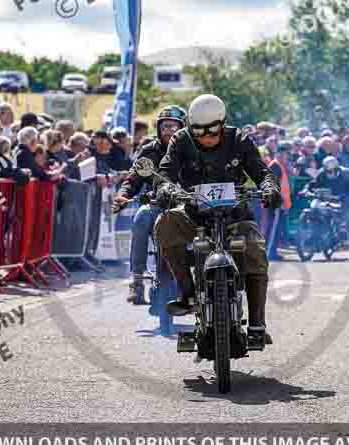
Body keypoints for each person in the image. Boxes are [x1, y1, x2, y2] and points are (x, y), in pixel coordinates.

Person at [152, 94, 281, 344]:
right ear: (190, 126)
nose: (206, 137)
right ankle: (187, 292)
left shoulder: (239, 139)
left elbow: (261, 171)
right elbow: (165, 172)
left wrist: (269, 187)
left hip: (235, 214)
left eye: (212, 130)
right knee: (165, 224)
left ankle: (256, 324)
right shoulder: (180, 139)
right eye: (199, 131)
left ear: (223, 123)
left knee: (255, 249)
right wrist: (164, 188)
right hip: (193, 213)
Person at [113, 105, 187, 305]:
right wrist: (123, 195)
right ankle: (136, 281)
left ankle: (211, 282)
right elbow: (133, 178)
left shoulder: (192, 148)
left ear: (183, 128)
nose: (168, 131)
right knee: (140, 218)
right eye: (164, 126)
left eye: (174, 127)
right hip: (155, 203)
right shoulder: (149, 150)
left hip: (187, 205)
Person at [304, 156, 349, 258]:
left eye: (333, 170)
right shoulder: (321, 174)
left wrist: (344, 199)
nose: (331, 173)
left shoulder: (347, 173)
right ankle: (327, 238)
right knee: (323, 210)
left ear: (338, 168)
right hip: (335, 198)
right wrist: (306, 190)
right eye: (328, 171)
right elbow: (313, 184)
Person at [265, 141, 293, 261]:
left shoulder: (279, 165)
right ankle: (270, 253)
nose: (288, 157)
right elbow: (272, 184)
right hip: (275, 203)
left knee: (276, 230)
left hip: (279, 203)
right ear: (281, 153)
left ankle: (273, 252)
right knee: (273, 229)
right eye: (287, 154)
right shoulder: (275, 165)